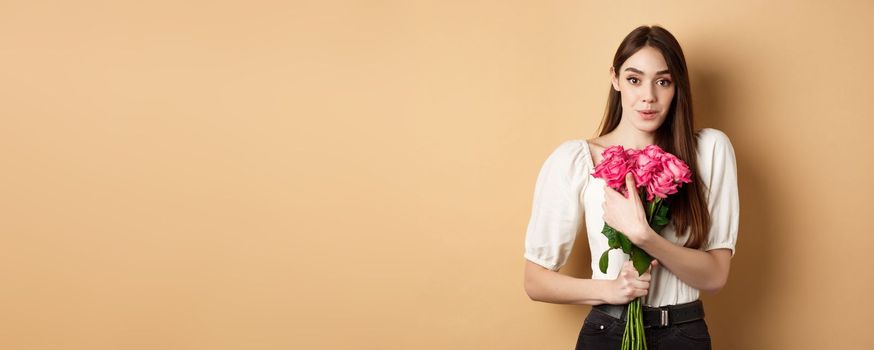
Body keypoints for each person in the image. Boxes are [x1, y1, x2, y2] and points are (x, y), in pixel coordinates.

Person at [522, 25, 739, 350]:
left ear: (677, 86)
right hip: (607, 330)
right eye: (634, 79)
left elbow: (715, 277)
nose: (648, 96)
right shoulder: (576, 159)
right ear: (615, 79)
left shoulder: (709, 151)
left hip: (683, 334)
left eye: (662, 82)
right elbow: (535, 281)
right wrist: (610, 290)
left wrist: (644, 237)